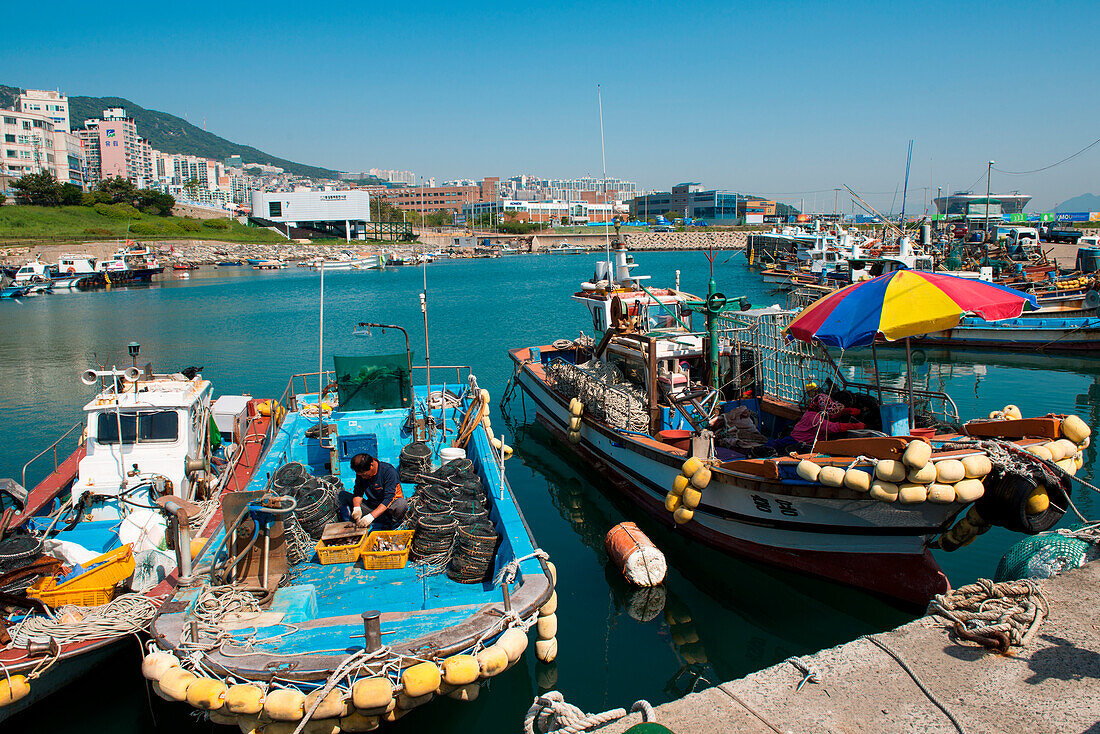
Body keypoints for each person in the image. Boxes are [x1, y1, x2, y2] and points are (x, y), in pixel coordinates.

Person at [338, 453, 407, 531]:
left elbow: (389, 499)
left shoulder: (389, 471)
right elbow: (358, 492)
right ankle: (350, 523)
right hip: (372, 508)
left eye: (364, 475)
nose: (363, 477)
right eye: (360, 475)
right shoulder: (361, 473)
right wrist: (357, 508)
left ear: (371, 465)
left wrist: (371, 517)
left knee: (401, 504)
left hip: (388, 510)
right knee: (341, 494)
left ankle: (392, 523)